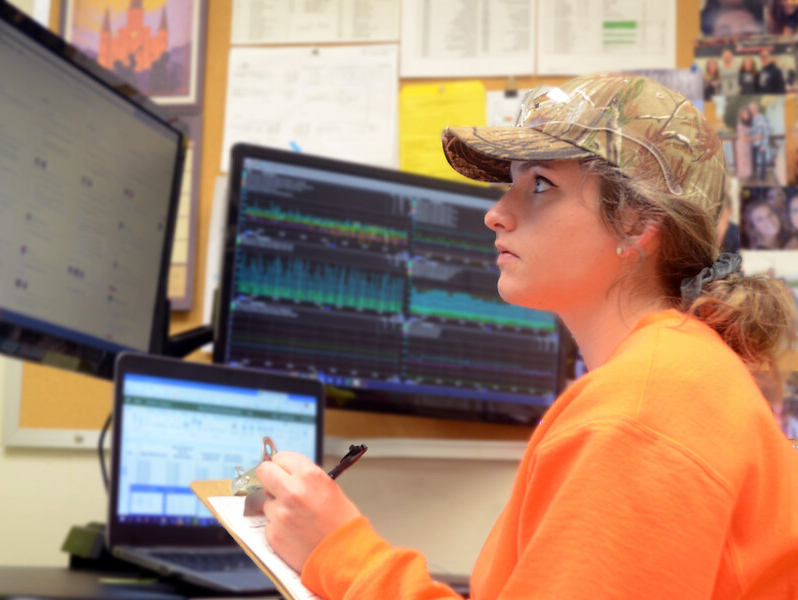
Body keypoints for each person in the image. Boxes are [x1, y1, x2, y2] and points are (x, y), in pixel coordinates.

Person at [255, 73, 798, 599]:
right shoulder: (676, 374)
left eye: (540, 184)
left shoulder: (639, 414)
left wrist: (339, 553)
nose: (496, 214)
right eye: (510, 184)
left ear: (637, 221)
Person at [749, 101, 772, 183]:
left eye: (754, 108)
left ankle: (762, 177)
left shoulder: (763, 119)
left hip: (761, 143)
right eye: (751, 108)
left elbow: (767, 132)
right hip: (752, 143)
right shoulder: (750, 120)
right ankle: (753, 175)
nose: (752, 110)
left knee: (763, 161)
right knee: (753, 161)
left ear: (757, 108)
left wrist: (764, 145)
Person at [735, 106, 753, 180]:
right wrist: (756, 138)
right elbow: (743, 138)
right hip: (742, 145)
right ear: (741, 115)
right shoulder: (740, 125)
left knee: (748, 160)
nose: (746, 115)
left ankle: (748, 174)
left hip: (748, 145)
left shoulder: (749, 124)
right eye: (744, 114)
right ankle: (743, 175)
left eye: (747, 114)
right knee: (743, 160)